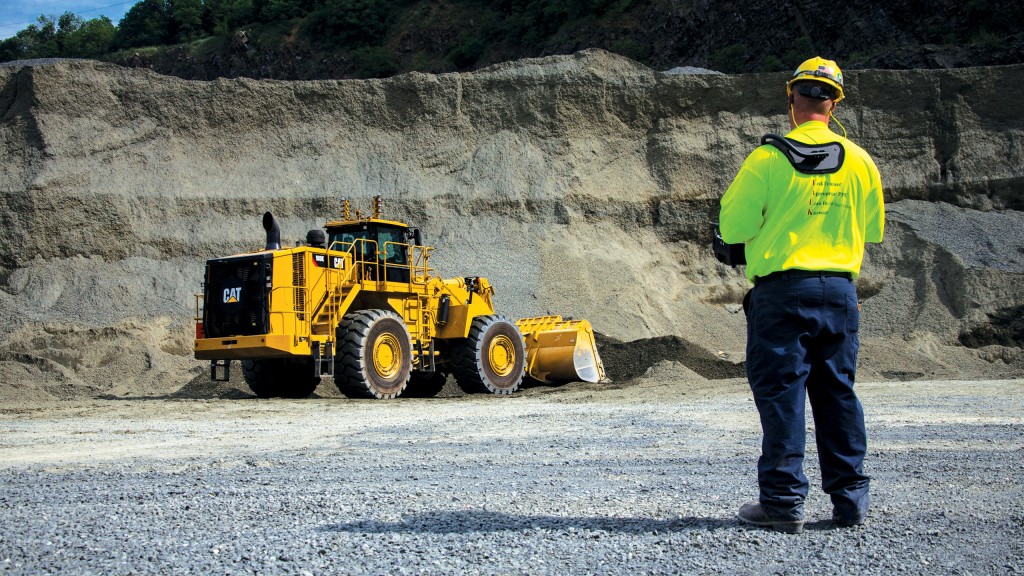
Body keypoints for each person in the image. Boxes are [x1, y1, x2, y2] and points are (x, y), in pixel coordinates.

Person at [718, 57, 885, 534]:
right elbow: (872, 230)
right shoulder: (860, 160)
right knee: (837, 393)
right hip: (839, 292)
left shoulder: (768, 158)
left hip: (782, 294)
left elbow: (733, 228)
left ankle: (782, 503)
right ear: (834, 103)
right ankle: (849, 501)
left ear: (792, 97)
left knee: (782, 397)